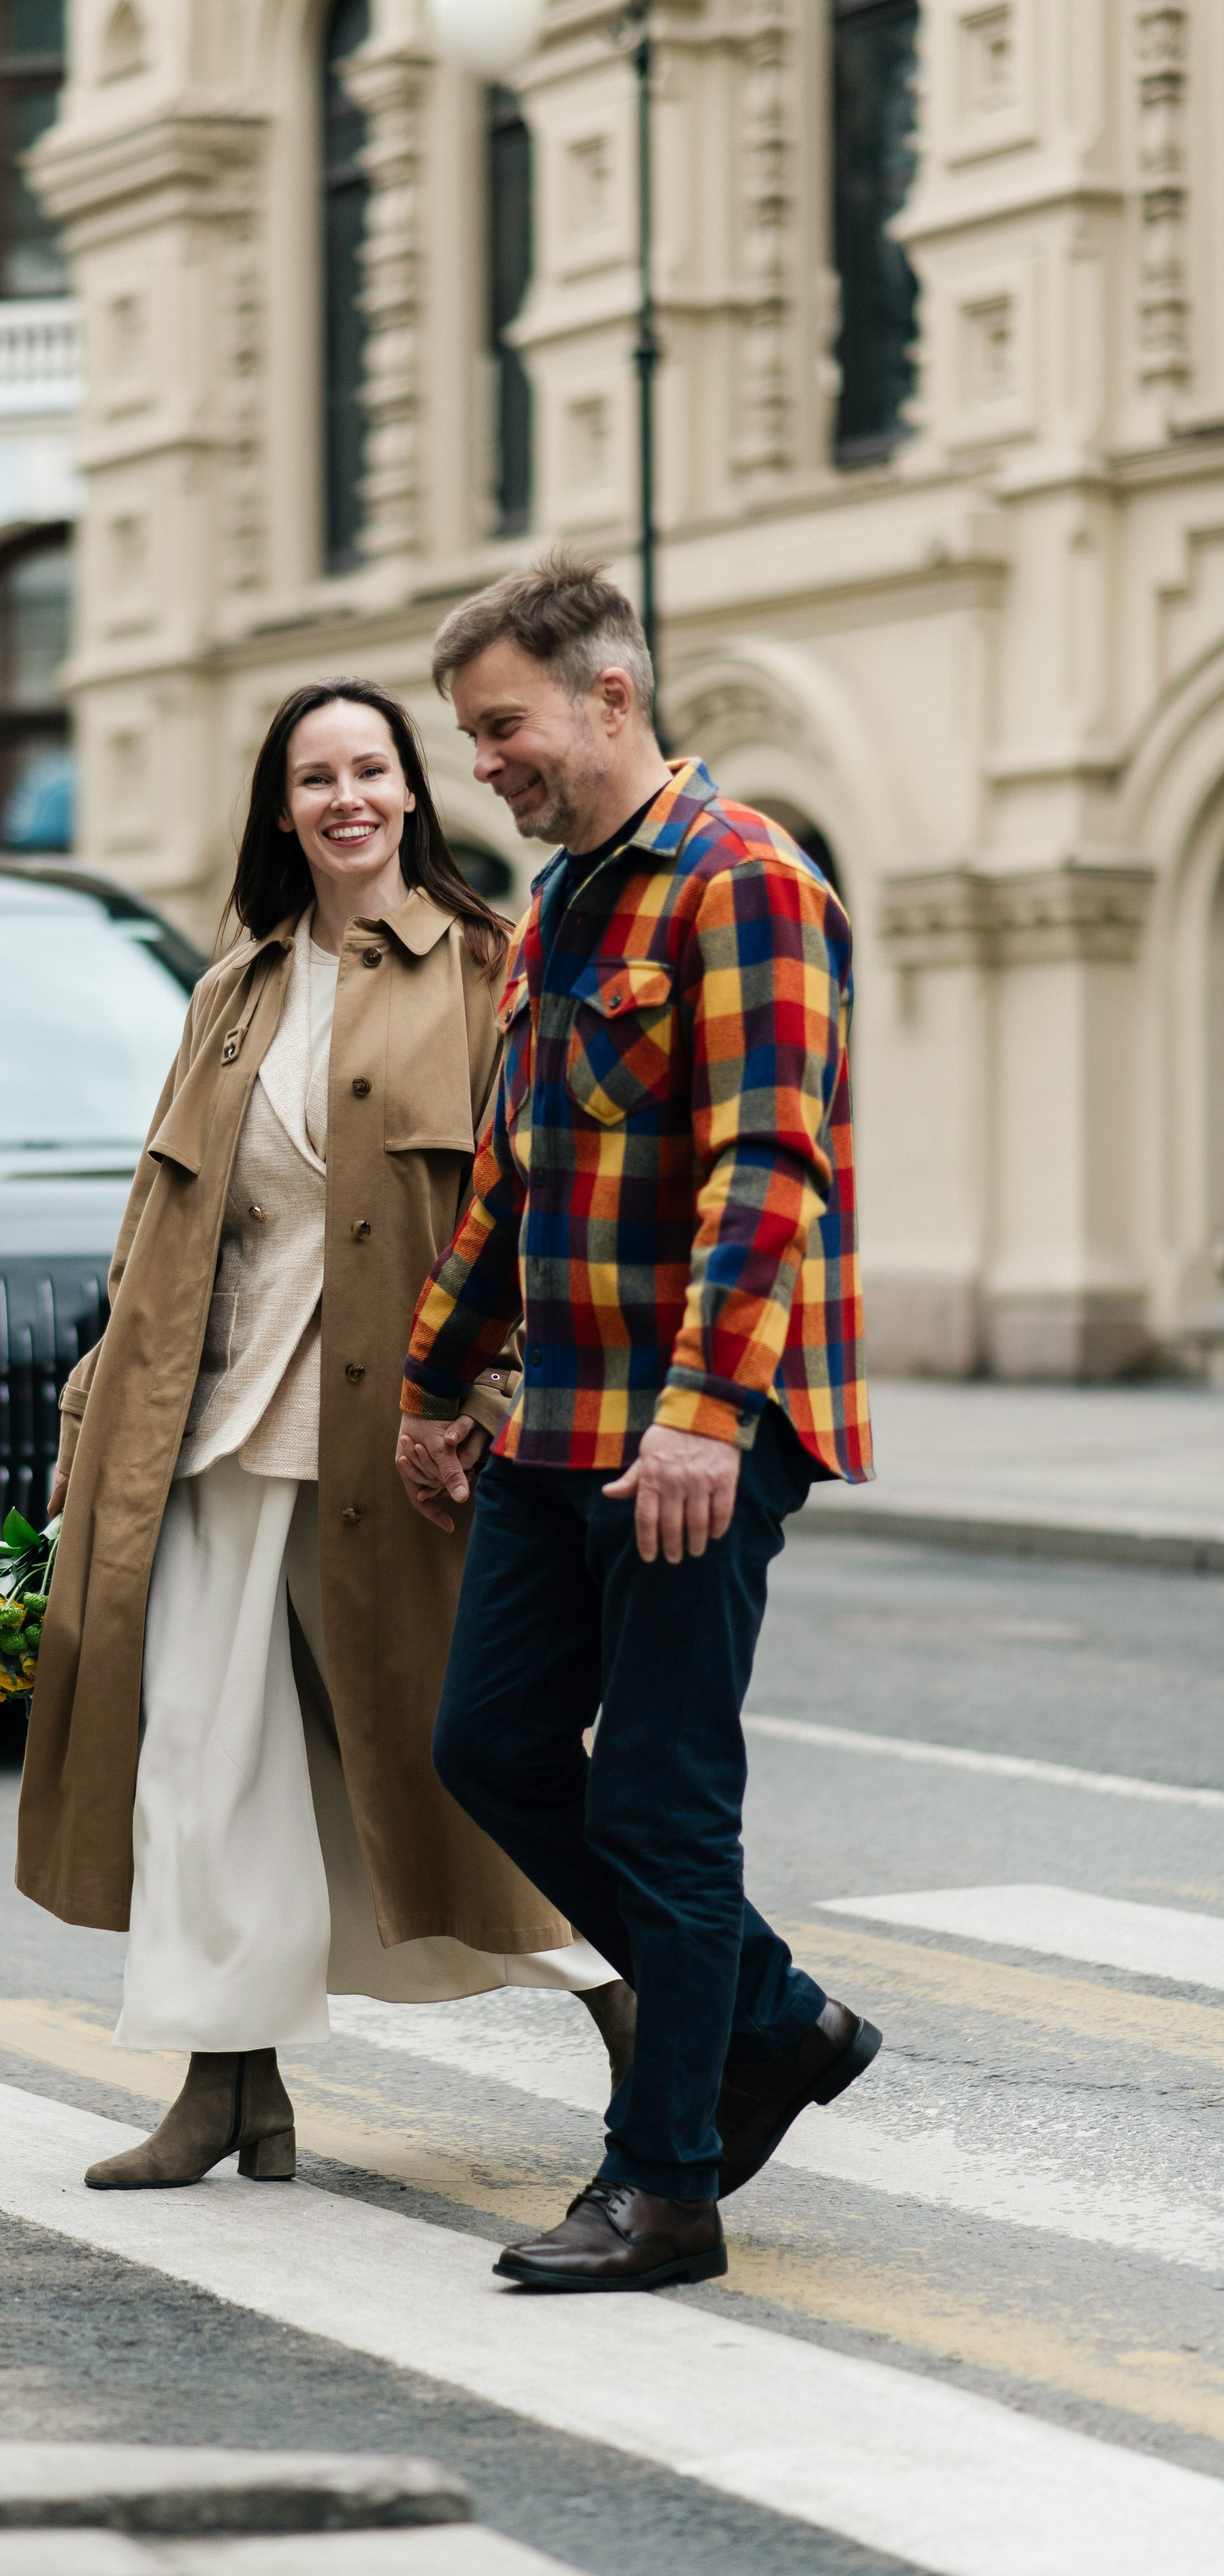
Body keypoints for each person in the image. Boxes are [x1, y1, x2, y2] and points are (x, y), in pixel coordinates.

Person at [15, 675, 636, 2190]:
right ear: (280, 807)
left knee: (459, 1770)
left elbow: (541, 1220)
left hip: (405, 1448)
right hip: (216, 1441)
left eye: (371, 769)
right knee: (203, 1767)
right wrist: (89, 1427)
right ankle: (227, 2087)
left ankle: (655, 2024)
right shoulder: (230, 991)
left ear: (412, 794)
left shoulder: (489, 968)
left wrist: (501, 1408)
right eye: (316, 777)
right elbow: (156, 1243)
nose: (347, 797)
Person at [395, 552, 879, 2294]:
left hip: (691, 1427)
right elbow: (515, 1183)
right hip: (559, 1419)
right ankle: (771, 2018)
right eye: (469, 738)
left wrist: (701, 1418)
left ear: (612, 695)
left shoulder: (742, 883)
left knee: (667, 1801)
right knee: (489, 1748)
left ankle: (664, 2186)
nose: (484, 767)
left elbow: (770, 1170)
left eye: (501, 727)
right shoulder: (555, 908)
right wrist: (435, 1381)